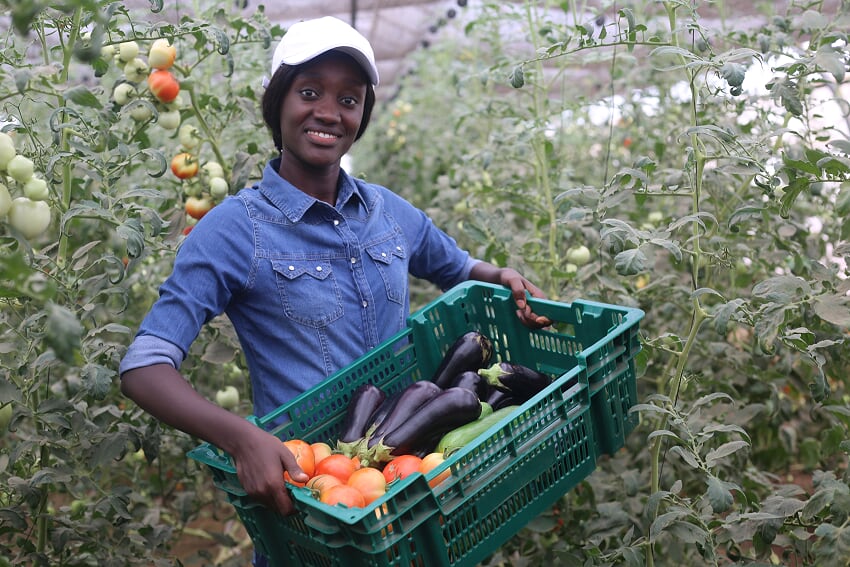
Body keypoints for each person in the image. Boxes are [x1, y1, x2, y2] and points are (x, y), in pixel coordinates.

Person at [119, 15, 550, 565]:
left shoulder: (388, 211)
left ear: (363, 114)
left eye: (350, 98)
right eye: (309, 92)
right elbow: (144, 368)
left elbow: (458, 266)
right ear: (277, 104)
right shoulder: (233, 230)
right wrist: (240, 438)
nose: (329, 111)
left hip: (405, 484)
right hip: (312, 502)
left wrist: (498, 276)